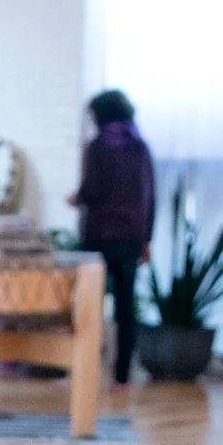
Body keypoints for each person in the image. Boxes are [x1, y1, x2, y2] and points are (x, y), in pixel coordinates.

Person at [69, 90, 156, 384]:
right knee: (125, 306)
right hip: (131, 236)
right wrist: (146, 239)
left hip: (100, 235)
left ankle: (83, 369)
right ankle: (121, 376)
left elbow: (92, 188)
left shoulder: (98, 147)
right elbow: (149, 196)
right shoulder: (140, 148)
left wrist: (77, 198)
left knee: (88, 301)